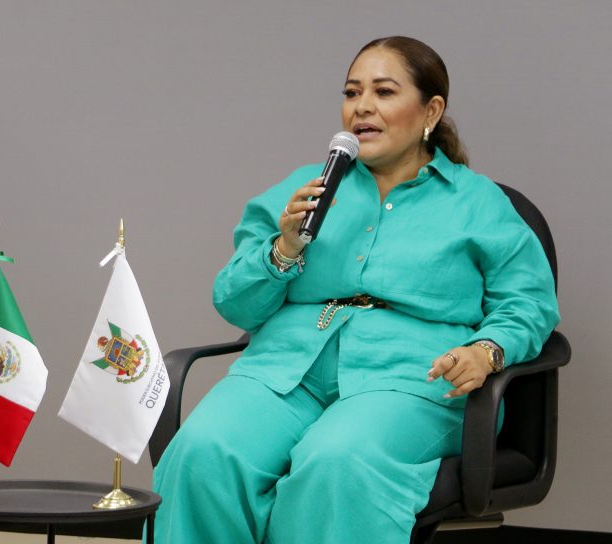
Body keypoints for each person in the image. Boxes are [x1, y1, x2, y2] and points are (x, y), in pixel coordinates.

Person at [151, 36, 560, 543]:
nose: (361, 106)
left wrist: (486, 350)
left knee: (336, 459)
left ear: (431, 111)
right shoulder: (306, 189)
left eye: (383, 92)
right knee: (203, 452)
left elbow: (528, 303)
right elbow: (234, 303)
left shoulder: (479, 202)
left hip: (412, 381)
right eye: (351, 92)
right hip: (287, 372)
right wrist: (284, 249)